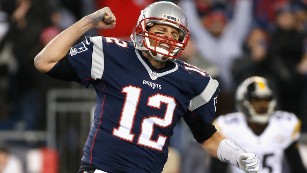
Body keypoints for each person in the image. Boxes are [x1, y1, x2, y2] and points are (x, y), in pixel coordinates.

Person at [34, 2, 260, 173]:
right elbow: (44, 61)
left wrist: (237, 155)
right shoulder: (113, 54)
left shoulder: (192, 81)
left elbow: (207, 137)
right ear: (144, 29)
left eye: (174, 34)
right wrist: (88, 22)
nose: (167, 39)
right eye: (161, 31)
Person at [210, 76, 307, 173]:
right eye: (256, 100)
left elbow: (297, 167)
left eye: (266, 99)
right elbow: (217, 169)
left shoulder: (284, 125)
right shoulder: (227, 127)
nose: (262, 105)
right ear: (243, 101)